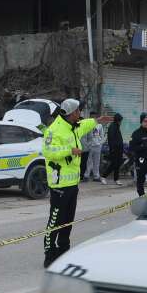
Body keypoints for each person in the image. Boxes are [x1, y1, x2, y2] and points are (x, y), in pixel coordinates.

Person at [41, 98, 97, 267]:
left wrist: (96, 121)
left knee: (68, 220)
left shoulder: (73, 128)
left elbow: (85, 125)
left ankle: (63, 250)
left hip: (73, 184)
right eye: (78, 111)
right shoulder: (54, 130)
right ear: (72, 113)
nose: (80, 114)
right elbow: (48, 151)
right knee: (56, 220)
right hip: (59, 185)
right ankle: (49, 255)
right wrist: (69, 150)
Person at [81, 113, 106, 184]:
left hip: (98, 146)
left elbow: (102, 135)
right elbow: (85, 136)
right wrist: (87, 145)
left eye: (94, 117)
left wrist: (100, 142)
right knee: (89, 162)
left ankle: (96, 176)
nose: (93, 118)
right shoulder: (88, 125)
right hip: (90, 146)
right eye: (92, 117)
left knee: (97, 161)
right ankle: (86, 175)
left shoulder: (99, 125)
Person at [105, 113, 124, 186]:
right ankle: (104, 176)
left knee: (117, 164)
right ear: (117, 120)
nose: (121, 122)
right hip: (115, 149)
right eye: (120, 121)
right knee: (114, 164)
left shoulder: (116, 126)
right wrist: (112, 148)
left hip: (119, 149)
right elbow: (111, 138)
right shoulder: (112, 127)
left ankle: (116, 179)